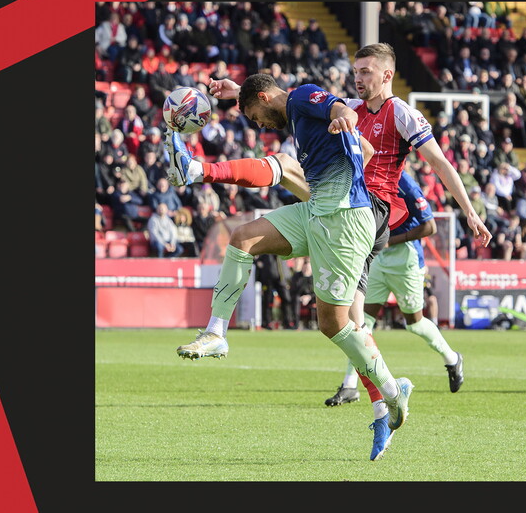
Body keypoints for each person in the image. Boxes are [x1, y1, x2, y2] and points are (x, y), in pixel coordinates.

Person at [171, 45, 491, 454]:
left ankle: (395, 392)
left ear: (388, 74)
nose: (358, 77)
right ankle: (383, 404)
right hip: (331, 203)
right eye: (356, 70)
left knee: (286, 169)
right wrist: (239, 91)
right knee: (336, 313)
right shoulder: (334, 103)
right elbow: (290, 99)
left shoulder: (398, 113)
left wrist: (469, 213)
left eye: (367, 71)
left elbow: (439, 163)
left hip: (364, 213)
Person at [169, 75, 415, 461]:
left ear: (265, 98)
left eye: (255, 115)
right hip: (319, 210)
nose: (259, 125)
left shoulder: (301, 97)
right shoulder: (296, 113)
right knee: (242, 238)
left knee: (335, 325)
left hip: (346, 220)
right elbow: (364, 148)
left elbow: (337, 107)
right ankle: (216, 332)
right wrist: (240, 93)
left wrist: (342, 118)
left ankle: (391, 393)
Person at [326, 171, 464, 408]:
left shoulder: (405, 183)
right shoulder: (366, 174)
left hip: (406, 260)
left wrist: (390, 241)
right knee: (360, 322)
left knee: (415, 323)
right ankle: (350, 385)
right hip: (378, 259)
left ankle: (452, 358)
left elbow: (429, 227)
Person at [255, 253, 294, 329]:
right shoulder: (265, 253)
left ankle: (287, 322)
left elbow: (286, 267)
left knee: (287, 300)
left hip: (281, 280)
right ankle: (267, 322)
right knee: (268, 302)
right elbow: (257, 262)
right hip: (268, 281)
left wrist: (287, 280)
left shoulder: (282, 253)